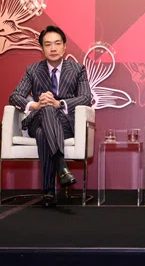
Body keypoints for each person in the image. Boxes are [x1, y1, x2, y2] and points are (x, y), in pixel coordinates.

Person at [8, 25, 92, 207]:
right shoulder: (33, 70)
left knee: (41, 133)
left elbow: (87, 97)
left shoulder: (77, 69)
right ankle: (61, 167)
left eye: (57, 44)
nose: (53, 48)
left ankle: (48, 190)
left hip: (65, 124)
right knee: (45, 109)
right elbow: (15, 96)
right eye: (48, 44)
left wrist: (59, 104)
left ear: (64, 47)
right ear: (42, 48)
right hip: (37, 117)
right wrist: (37, 104)